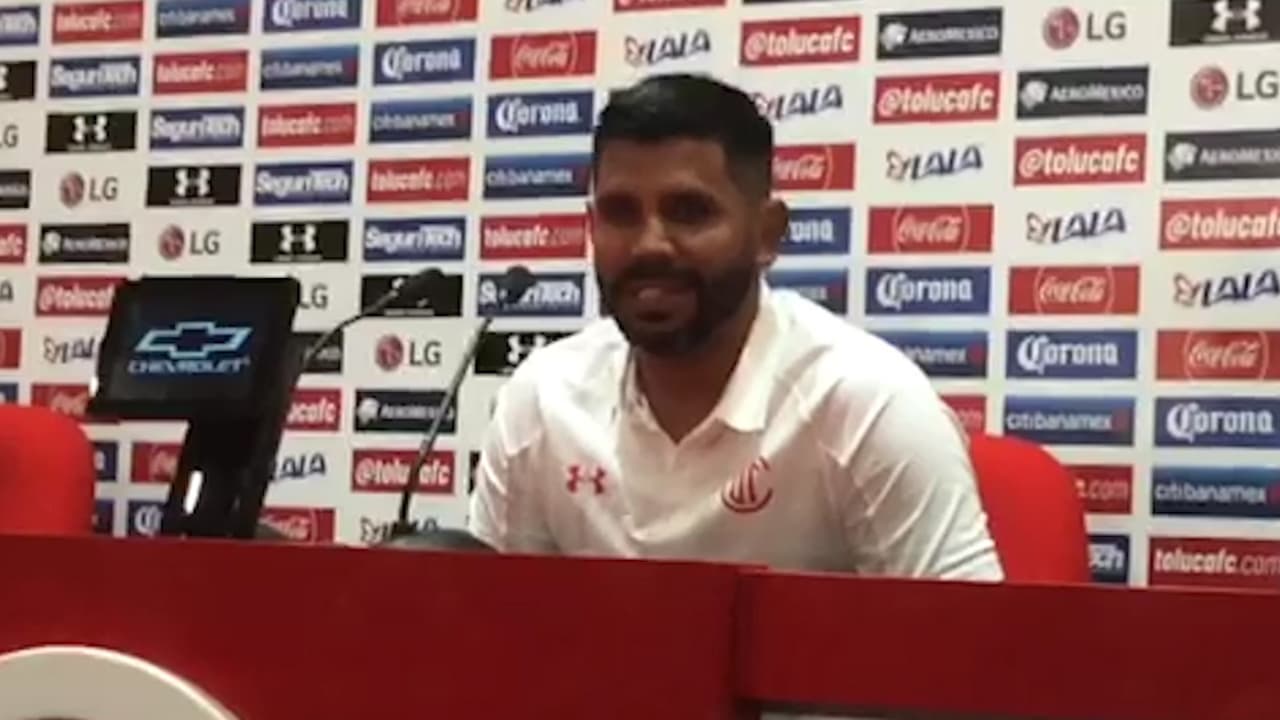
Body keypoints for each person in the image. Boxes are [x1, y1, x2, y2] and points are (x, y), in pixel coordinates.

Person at [467, 73, 1002, 581]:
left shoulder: (865, 404)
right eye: (620, 213)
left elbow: (968, 636)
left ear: (767, 234)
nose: (649, 244)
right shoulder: (543, 400)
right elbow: (494, 625)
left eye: (689, 212)